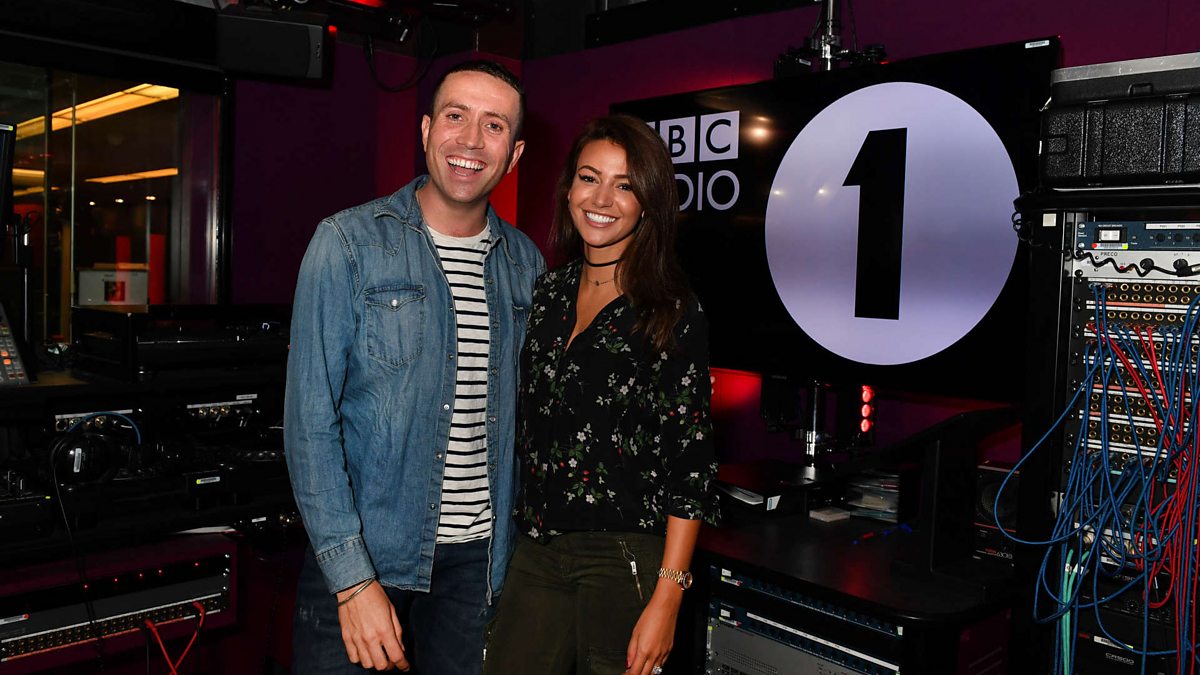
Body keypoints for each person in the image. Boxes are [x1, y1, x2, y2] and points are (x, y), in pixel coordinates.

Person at [284, 60, 544, 674]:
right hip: (366, 558)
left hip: (476, 570)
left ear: (514, 154)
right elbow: (308, 425)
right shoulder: (346, 244)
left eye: (494, 126)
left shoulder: (526, 265)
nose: (471, 140)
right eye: (456, 116)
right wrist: (352, 582)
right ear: (426, 130)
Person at [483, 114, 718, 675]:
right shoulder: (548, 292)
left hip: (624, 557)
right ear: (569, 189)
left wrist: (669, 596)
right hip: (537, 546)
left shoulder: (669, 310)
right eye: (590, 178)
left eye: (625, 185)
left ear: (648, 204)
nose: (602, 199)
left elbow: (691, 465)